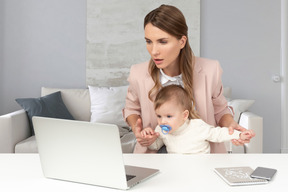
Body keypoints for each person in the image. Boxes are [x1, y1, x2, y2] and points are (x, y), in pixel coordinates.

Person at [123, 4, 255, 153]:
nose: (153, 51)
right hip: (153, 153)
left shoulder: (210, 70)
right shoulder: (138, 73)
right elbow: (131, 109)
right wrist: (137, 129)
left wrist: (230, 125)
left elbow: (220, 110)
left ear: (182, 41)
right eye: (148, 41)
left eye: (163, 41)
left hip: (201, 154)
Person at [141, 85, 255, 154]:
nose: (163, 121)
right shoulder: (161, 130)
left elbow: (218, 134)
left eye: (169, 116)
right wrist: (149, 137)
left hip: (201, 166)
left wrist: (239, 135)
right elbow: (155, 146)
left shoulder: (197, 126)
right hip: (176, 167)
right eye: (159, 116)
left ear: (184, 115)